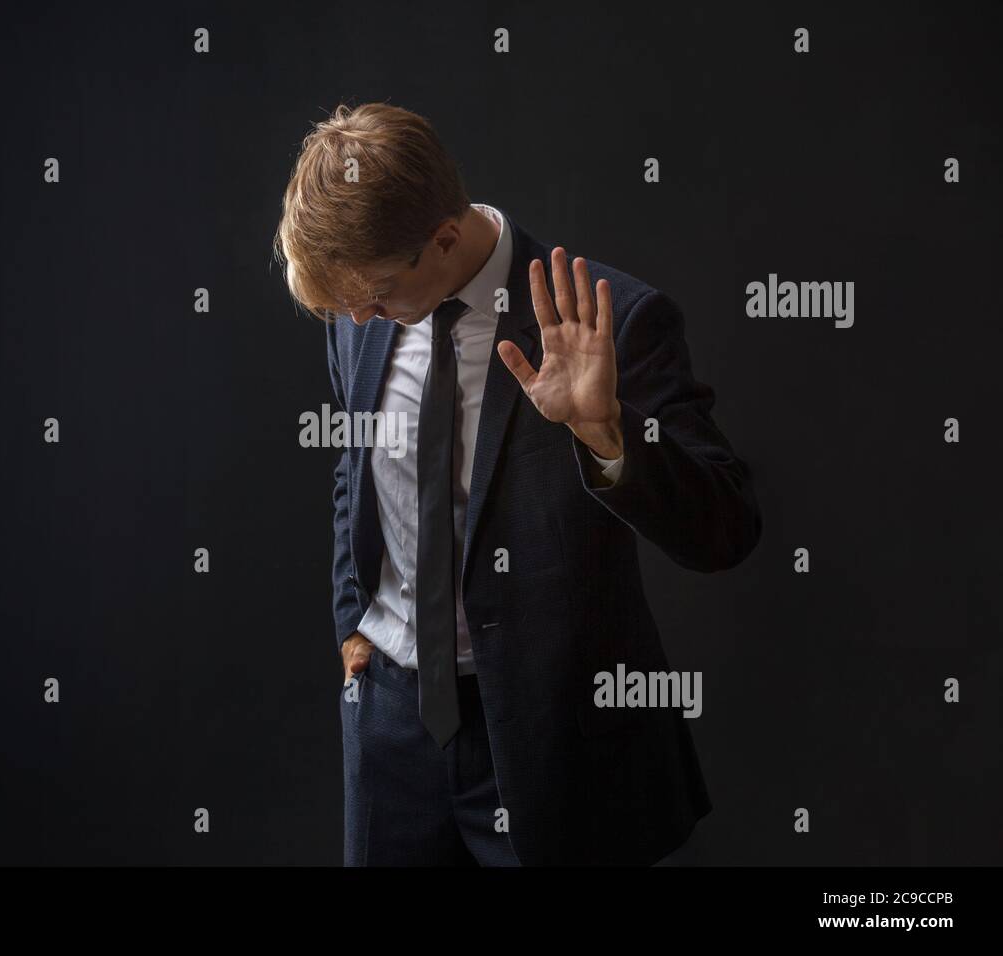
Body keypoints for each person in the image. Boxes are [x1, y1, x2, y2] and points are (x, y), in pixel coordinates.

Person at [273, 102, 762, 866]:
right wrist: (351, 613)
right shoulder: (355, 306)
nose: (360, 317)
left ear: (442, 239)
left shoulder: (615, 321)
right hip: (392, 724)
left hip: (553, 745)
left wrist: (604, 431)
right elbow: (355, 461)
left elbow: (727, 529)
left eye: (375, 296)